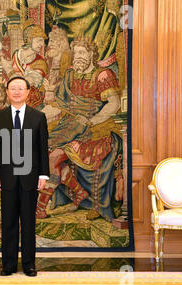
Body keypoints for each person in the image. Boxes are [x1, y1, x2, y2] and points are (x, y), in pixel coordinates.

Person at [35, 36, 123, 221]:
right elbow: (60, 104)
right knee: (42, 151)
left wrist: (92, 120)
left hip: (94, 130)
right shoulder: (70, 74)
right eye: (76, 53)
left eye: (82, 52)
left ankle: (41, 207)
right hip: (69, 126)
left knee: (52, 158)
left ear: (91, 54)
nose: (78, 57)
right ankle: (78, 193)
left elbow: (113, 104)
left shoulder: (103, 75)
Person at [0, 76, 49, 277]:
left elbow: (42, 148)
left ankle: (29, 264)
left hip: (30, 177)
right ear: (7, 91)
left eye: (20, 88)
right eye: (12, 88)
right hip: (6, 176)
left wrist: (43, 174)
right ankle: (8, 264)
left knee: (28, 222)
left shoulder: (38, 117)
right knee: (8, 222)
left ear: (27, 92)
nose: (16, 91)